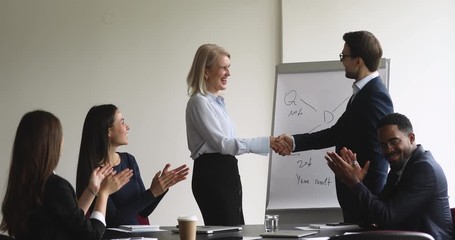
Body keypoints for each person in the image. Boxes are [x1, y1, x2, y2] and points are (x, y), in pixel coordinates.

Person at [275, 31, 393, 224]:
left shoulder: (375, 96)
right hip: (356, 200)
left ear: (358, 61)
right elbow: (337, 133)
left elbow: (379, 154)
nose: (342, 61)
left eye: (344, 56)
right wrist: (294, 142)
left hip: (365, 205)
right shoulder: (362, 93)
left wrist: (372, 204)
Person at [185, 44, 290, 226]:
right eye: (223, 68)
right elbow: (224, 144)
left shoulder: (217, 104)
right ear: (206, 72)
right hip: (213, 173)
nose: (228, 73)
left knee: (234, 229)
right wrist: (268, 142)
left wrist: (268, 143)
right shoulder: (198, 102)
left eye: (229, 67)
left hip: (226, 171)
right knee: (226, 232)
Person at [0, 110, 133, 240]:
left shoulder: (22, 185)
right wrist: (104, 194)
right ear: (52, 143)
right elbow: (91, 234)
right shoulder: (56, 186)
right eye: (60, 135)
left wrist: (92, 190)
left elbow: (71, 221)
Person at [325, 113, 453, 240]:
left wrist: (355, 183)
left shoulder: (424, 169)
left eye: (394, 142)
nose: (388, 150)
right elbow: (375, 214)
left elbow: (386, 218)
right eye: (383, 145)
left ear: (411, 138)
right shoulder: (400, 166)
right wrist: (357, 182)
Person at [76, 104, 189, 227]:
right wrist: (151, 193)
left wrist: (160, 188)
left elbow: (143, 212)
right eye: (122, 122)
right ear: (108, 131)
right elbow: (114, 220)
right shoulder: (96, 175)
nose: (127, 127)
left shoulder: (129, 160)